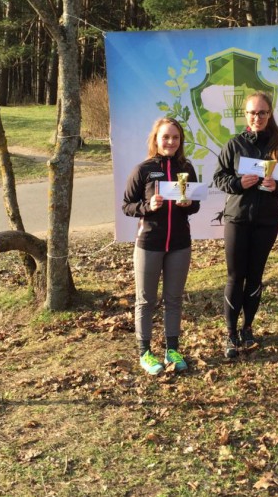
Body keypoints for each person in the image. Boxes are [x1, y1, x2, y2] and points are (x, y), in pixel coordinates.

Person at [212, 92, 278, 359]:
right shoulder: (234, 144)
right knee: (236, 276)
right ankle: (230, 333)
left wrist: (276, 186)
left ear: (269, 114)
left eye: (261, 113)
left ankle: (248, 329)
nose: (256, 117)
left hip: (267, 221)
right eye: (251, 113)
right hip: (237, 219)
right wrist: (238, 184)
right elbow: (219, 177)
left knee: (255, 276)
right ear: (245, 115)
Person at [122, 118, 201, 375]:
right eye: (165, 137)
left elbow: (196, 203)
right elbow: (127, 206)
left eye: (175, 138)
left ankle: (172, 349)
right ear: (155, 139)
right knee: (146, 300)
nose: (170, 142)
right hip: (149, 243)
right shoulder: (143, 170)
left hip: (179, 243)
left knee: (174, 299)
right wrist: (148, 207)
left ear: (180, 141)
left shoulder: (186, 168)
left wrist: (189, 204)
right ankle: (145, 352)